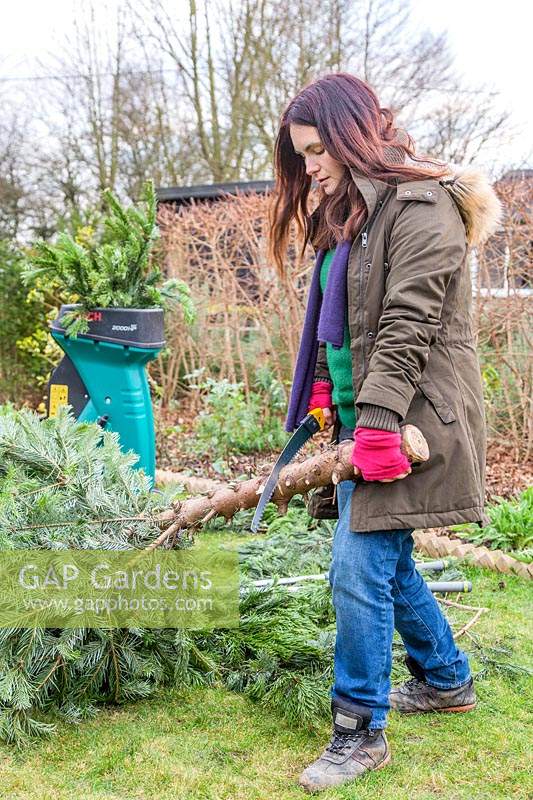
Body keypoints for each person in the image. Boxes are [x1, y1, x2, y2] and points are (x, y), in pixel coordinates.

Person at [269, 72, 501, 793]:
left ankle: (358, 731)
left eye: (314, 151)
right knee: (386, 564)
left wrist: (373, 424)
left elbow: (406, 326)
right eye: (300, 154)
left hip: (412, 425)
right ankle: (444, 680)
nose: (308, 167)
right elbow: (341, 327)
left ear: (349, 133)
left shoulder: (422, 204)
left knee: (357, 567)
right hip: (363, 420)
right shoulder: (351, 215)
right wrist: (319, 392)